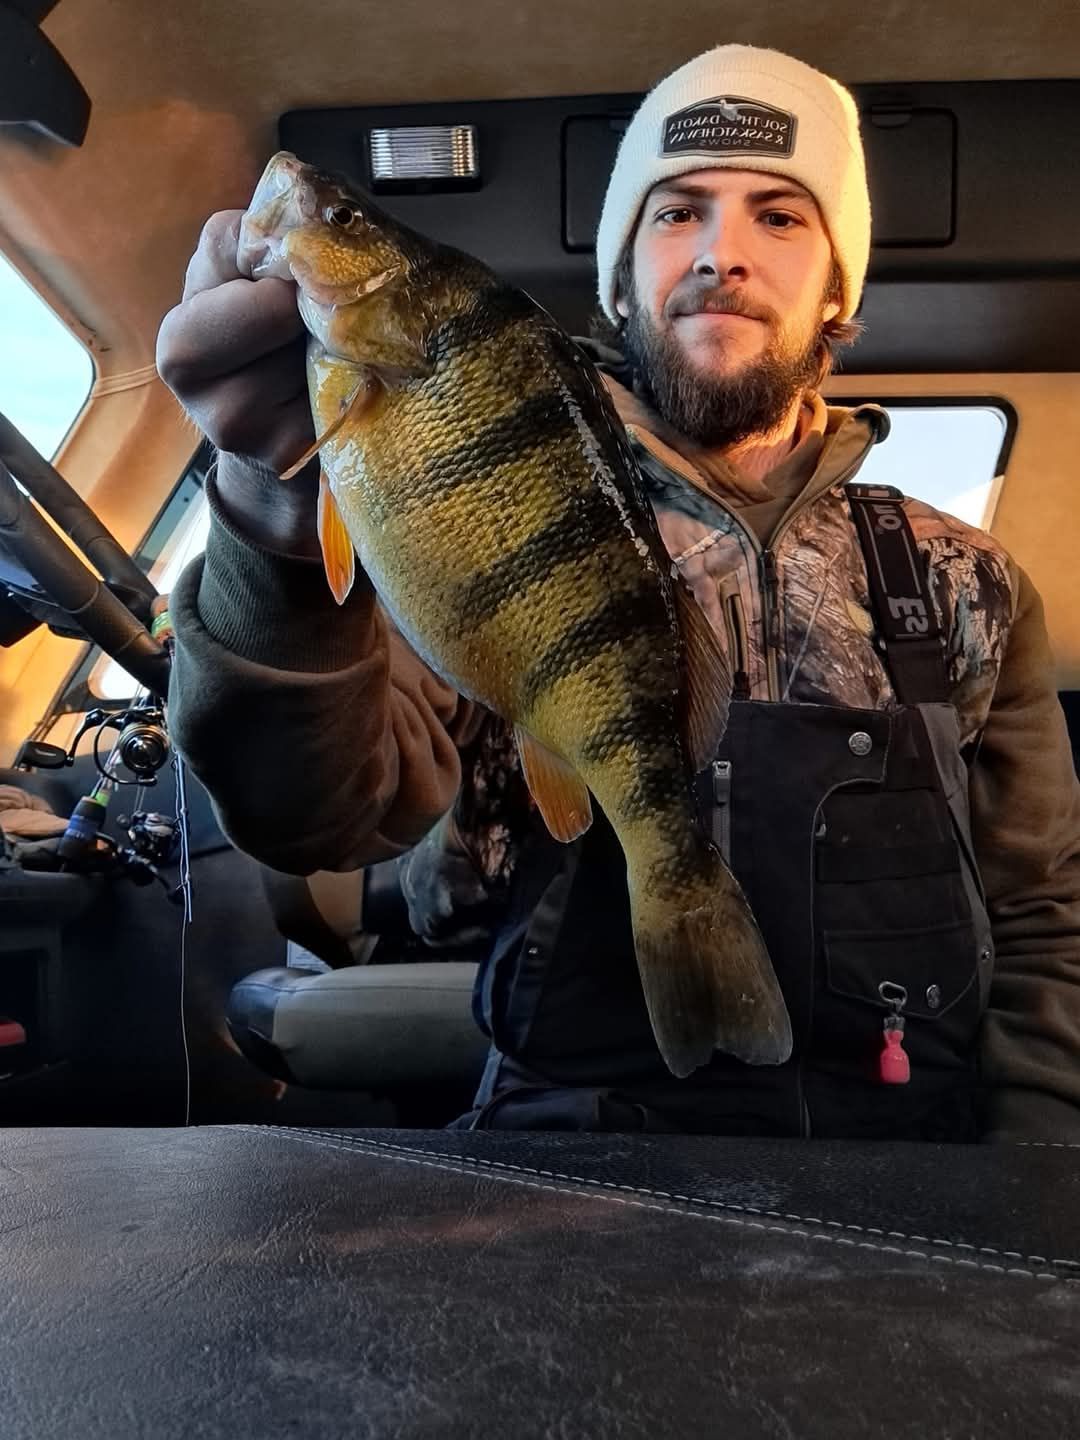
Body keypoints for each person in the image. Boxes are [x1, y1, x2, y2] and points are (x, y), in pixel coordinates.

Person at [157, 45, 1080, 1141]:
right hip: (563, 1141)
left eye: (781, 217)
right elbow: (311, 815)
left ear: (839, 285)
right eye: (677, 212)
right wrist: (271, 513)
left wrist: (1034, 1165)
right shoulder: (475, 507)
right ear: (620, 274)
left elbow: (1042, 912)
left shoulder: (968, 581)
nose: (722, 253)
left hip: (907, 1159)